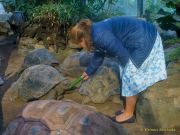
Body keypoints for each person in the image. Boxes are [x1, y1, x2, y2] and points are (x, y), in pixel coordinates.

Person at [69, 16, 167, 124]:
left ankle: (129, 114)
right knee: (125, 72)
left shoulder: (100, 35)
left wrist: (129, 74)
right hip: (139, 36)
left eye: (79, 43)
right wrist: (88, 72)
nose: (80, 46)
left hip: (145, 38)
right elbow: (99, 55)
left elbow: (122, 54)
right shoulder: (94, 33)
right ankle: (127, 109)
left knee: (129, 75)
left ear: (83, 38)